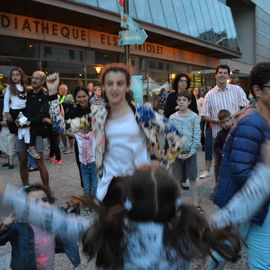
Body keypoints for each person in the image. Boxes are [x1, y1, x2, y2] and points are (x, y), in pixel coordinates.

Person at [0, 166, 241, 270]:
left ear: (127, 201)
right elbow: (240, 207)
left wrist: (9, 195)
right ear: (174, 201)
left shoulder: (112, 229)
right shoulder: (189, 230)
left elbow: (53, 220)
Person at [211, 62, 270, 269]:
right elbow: (240, 170)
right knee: (220, 255)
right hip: (243, 202)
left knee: (262, 263)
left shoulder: (264, 119)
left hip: (261, 206)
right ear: (257, 91)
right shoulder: (252, 123)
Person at [0, 184, 80, 270]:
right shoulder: (17, 225)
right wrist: (3, 228)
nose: (41, 204)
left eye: (44, 200)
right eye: (35, 203)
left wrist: (73, 207)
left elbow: (67, 217)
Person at [200, 65, 249, 180]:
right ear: (215, 75)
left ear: (228, 75)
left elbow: (246, 107)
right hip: (218, 136)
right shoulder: (209, 95)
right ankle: (219, 191)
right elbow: (204, 116)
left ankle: (235, 189)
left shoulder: (237, 90)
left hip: (236, 133)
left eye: (225, 73)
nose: (222, 75)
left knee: (238, 162)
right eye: (220, 73)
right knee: (219, 164)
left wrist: (234, 116)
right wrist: (217, 121)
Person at [169, 90, 201, 211]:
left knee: (192, 177)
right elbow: (170, 136)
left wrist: (191, 151)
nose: (181, 102)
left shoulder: (194, 117)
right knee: (176, 177)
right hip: (177, 153)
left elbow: (197, 136)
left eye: (184, 100)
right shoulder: (172, 117)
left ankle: (195, 202)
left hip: (190, 153)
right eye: (179, 100)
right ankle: (178, 202)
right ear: (177, 101)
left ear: (189, 102)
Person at [66, 87, 98, 197]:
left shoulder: (95, 109)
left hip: (95, 146)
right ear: (75, 98)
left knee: (95, 170)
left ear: (88, 96)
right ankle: (86, 192)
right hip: (80, 146)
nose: (81, 99)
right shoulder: (72, 112)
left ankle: (97, 194)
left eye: (84, 96)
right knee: (82, 169)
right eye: (79, 97)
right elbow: (68, 129)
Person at [3, 67, 40, 159]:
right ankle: (28, 146)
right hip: (15, 110)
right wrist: (7, 113)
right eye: (12, 75)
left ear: (21, 76)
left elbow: (33, 88)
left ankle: (29, 146)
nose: (15, 77)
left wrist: (42, 89)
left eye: (17, 75)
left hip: (24, 110)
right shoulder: (9, 87)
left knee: (26, 127)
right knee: (23, 127)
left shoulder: (24, 87)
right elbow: (6, 100)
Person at [213, 109, 232, 182]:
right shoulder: (220, 134)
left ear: (231, 119)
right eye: (223, 122)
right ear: (220, 124)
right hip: (224, 161)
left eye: (227, 121)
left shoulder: (235, 131)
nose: (226, 124)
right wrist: (222, 153)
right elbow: (216, 147)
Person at [58, 83, 74, 154]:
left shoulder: (68, 96)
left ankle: (71, 148)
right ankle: (65, 147)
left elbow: (61, 104)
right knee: (62, 133)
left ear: (64, 90)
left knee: (69, 133)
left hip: (68, 118)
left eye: (60, 89)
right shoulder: (62, 96)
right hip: (63, 118)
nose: (59, 91)